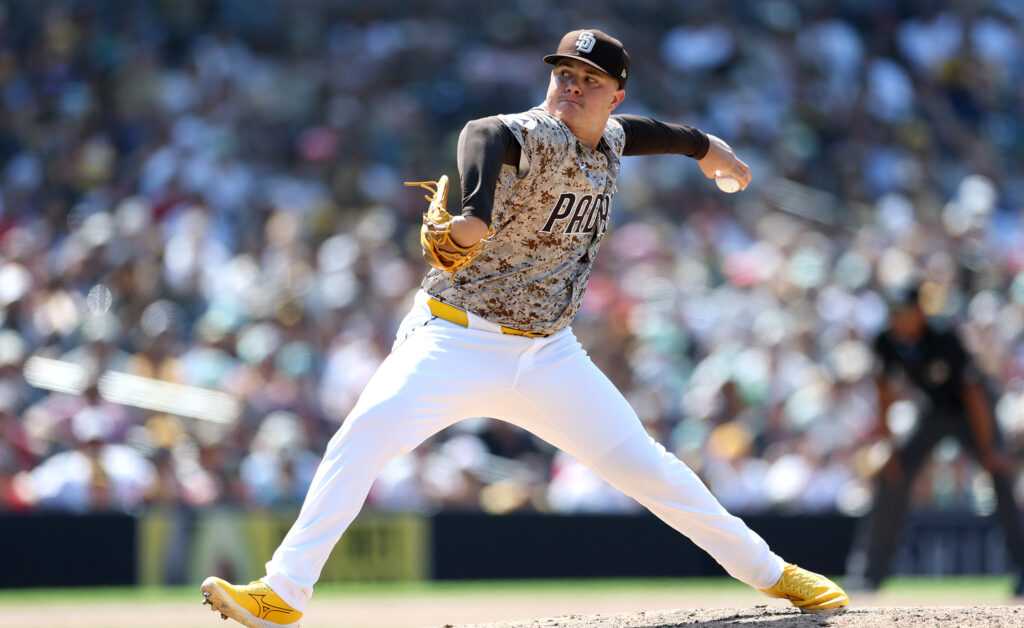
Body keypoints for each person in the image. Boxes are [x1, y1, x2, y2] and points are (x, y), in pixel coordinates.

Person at [201, 29, 849, 626]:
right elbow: (485, 134)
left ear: (614, 95)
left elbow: (653, 133)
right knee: (364, 436)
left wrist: (708, 148)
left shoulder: (613, 139)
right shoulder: (531, 133)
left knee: (651, 469)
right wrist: (476, 211)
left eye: (589, 80)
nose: (572, 86)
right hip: (455, 339)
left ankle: (774, 573)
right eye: (563, 73)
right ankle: (285, 591)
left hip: (548, 357)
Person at [845, 284, 1024, 594]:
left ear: (919, 312)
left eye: (905, 313)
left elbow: (975, 395)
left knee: (999, 476)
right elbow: (885, 392)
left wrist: (988, 450)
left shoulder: (943, 338)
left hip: (973, 414)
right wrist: (888, 445)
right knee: (893, 471)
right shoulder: (886, 341)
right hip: (933, 413)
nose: (899, 319)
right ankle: (869, 574)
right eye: (895, 313)